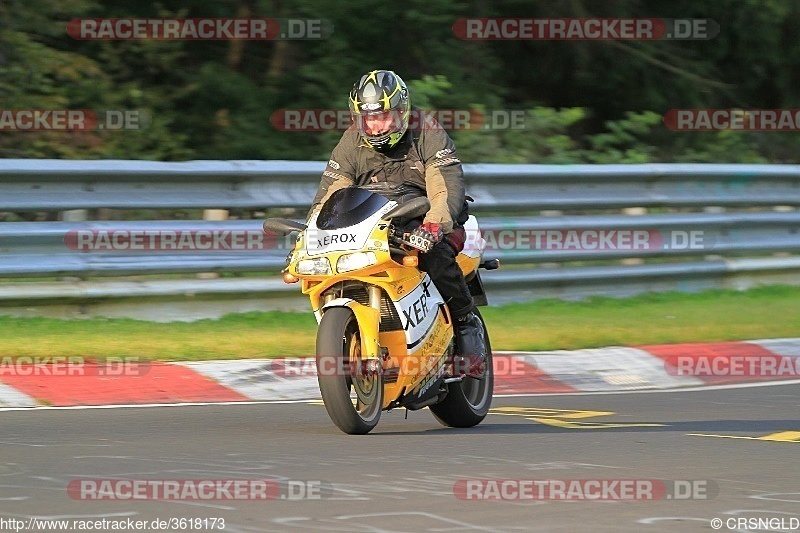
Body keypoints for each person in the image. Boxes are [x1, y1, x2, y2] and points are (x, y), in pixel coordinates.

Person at [306, 69, 486, 363]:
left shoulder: (428, 132)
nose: (375, 126)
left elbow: (444, 190)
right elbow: (330, 193)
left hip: (425, 217)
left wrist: (433, 227)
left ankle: (466, 324)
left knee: (434, 254)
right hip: (375, 222)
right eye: (368, 118)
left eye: (383, 116)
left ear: (401, 111)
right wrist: (311, 233)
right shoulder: (351, 142)